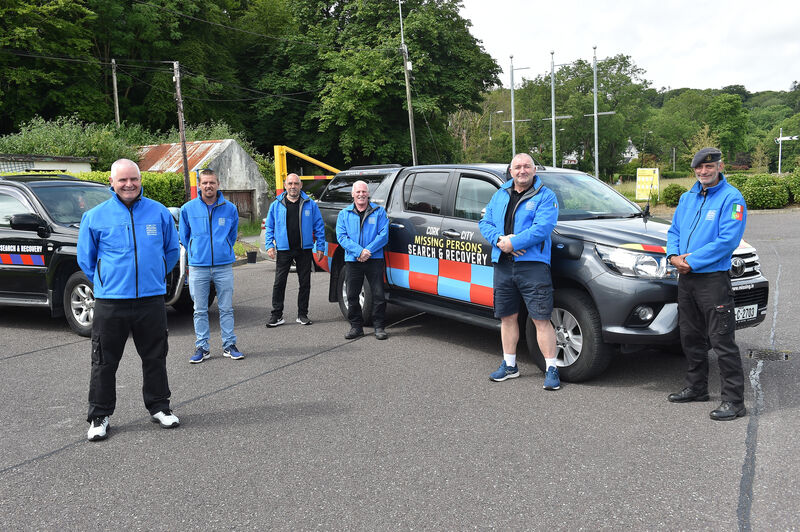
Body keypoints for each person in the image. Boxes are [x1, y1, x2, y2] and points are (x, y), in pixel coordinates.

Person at [77, 159, 181, 441]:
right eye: (122, 180)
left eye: (133, 179)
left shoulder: (158, 212)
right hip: (111, 302)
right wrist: (108, 280)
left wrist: (155, 273)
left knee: (155, 357)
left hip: (151, 300)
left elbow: (171, 250)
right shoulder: (95, 217)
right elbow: (86, 259)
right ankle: (99, 416)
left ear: (140, 180)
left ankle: (160, 407)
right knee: (104, 361)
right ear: (111, 182)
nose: (129, 184)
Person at [666, 147, 748, 421]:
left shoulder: (732, 198)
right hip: (686, 278)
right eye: (699, 168)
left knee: (721, 340)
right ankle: (696, 387)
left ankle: (734, 401)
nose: (703, 171)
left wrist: (691, 261)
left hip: (713, 279)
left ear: (720, 167)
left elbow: (728, 240)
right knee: (690, 336)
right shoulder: (687, 197)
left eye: (709, 167)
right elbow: (674, 230)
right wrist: (673, 256)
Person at [479, 153, 560, 389]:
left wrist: (514, 243)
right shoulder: (500, 194)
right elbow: (485, 222)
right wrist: (501, 241)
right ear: (511, 171)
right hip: (503, 264)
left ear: (534, 170)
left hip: (533, 265)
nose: (522, 171)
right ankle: (510, 365)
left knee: (541, 318)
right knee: (507, 317)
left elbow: (543, 228)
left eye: (526, 166)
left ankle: (551, 368)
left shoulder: (546, 195)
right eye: (517, 167)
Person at [179, 168, 244, 364]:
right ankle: (202, 347)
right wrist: (196, 251)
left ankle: (229, 345)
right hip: (198, 266)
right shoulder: (188, 209)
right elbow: (184, 236)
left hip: (223, 266)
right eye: (205, 182)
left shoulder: (230, 208)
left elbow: (232, 234)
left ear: (218, 184)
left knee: (226, 308)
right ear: (199, 185)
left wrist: (224, 248)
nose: (208, 186)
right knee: (199, 309)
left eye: (212, 182)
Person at [264, 173, 325, 327]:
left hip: (304, 249)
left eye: (296, 183)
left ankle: (302, 314)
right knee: (279, 283)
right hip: (284, 249)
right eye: (290, 183)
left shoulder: (310, 204)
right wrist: (269, 245)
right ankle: (277, 315)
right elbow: (269, 226)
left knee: (305, 283)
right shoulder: (276, 205)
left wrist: (320, 246)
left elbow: (319, 226)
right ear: (285, 186)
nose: (293, 186)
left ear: (300, 186)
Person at [335, 180, 389, 340]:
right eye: (358, 192)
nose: (361, 194)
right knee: (352, 295)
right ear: (352, 194)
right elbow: (341, 237)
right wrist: (359, 251)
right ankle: (356, 327)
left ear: (368, 193)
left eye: (364, 191)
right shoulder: (344, 214)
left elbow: (383, 235)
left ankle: (379, 327)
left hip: (374, 258)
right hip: (353, 260)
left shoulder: (379, 212)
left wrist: (368, 251)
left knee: (378, 294)